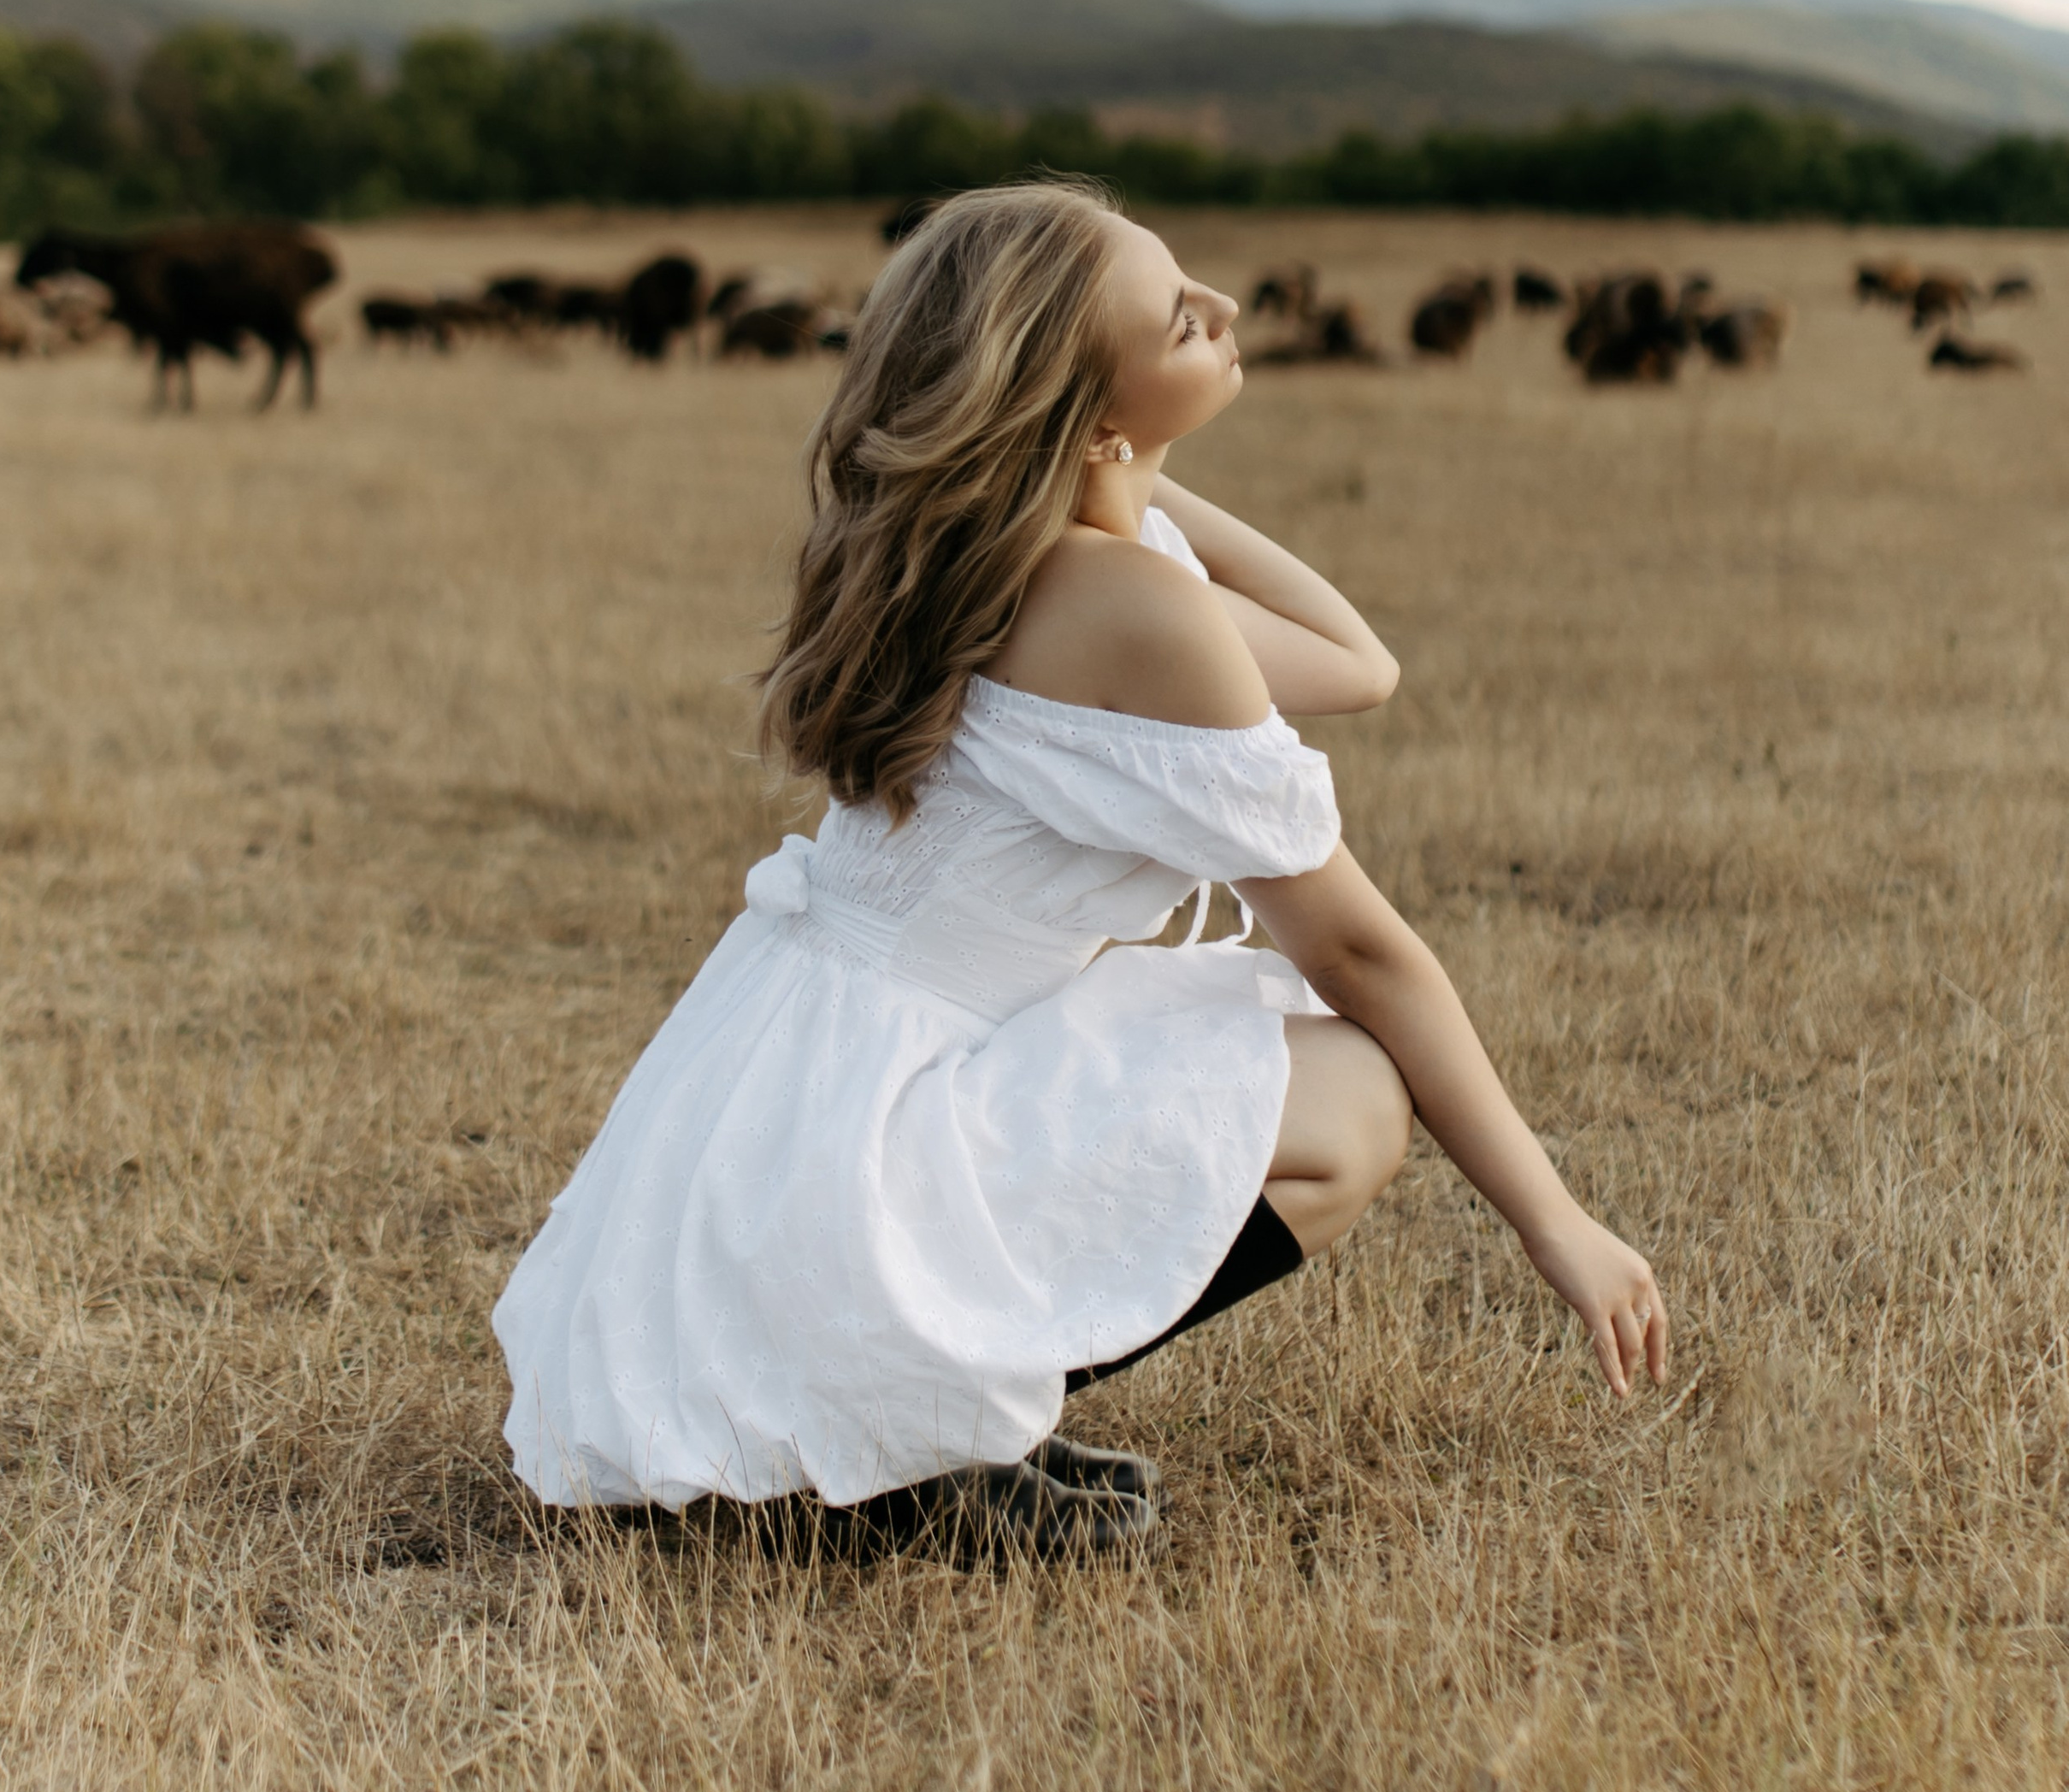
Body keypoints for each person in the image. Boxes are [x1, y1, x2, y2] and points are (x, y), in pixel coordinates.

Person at [495, 181, 1668, 1553]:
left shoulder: (979, 549)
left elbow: (1361, 669)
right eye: (1180, 318)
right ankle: (919, 1442)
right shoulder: (1127, 608)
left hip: (778, 1095)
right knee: (1353, 1096)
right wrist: (1554, 1222)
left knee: (1252, 1046)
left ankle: (931, 1409)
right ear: (1085, 409)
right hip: (860, 1137)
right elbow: (1359, 953)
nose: (1224, 313)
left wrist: (1126, 467)